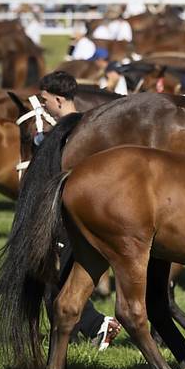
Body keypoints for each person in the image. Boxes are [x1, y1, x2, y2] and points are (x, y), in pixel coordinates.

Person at [38, 71, 122, 350]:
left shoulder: (74, 134)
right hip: (77, 213)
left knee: (59, 280)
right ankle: (86, 328)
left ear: (59, 100)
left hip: (73, 215)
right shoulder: (93, 128)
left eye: (45, 100)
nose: (43, 107)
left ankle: (98, 325)